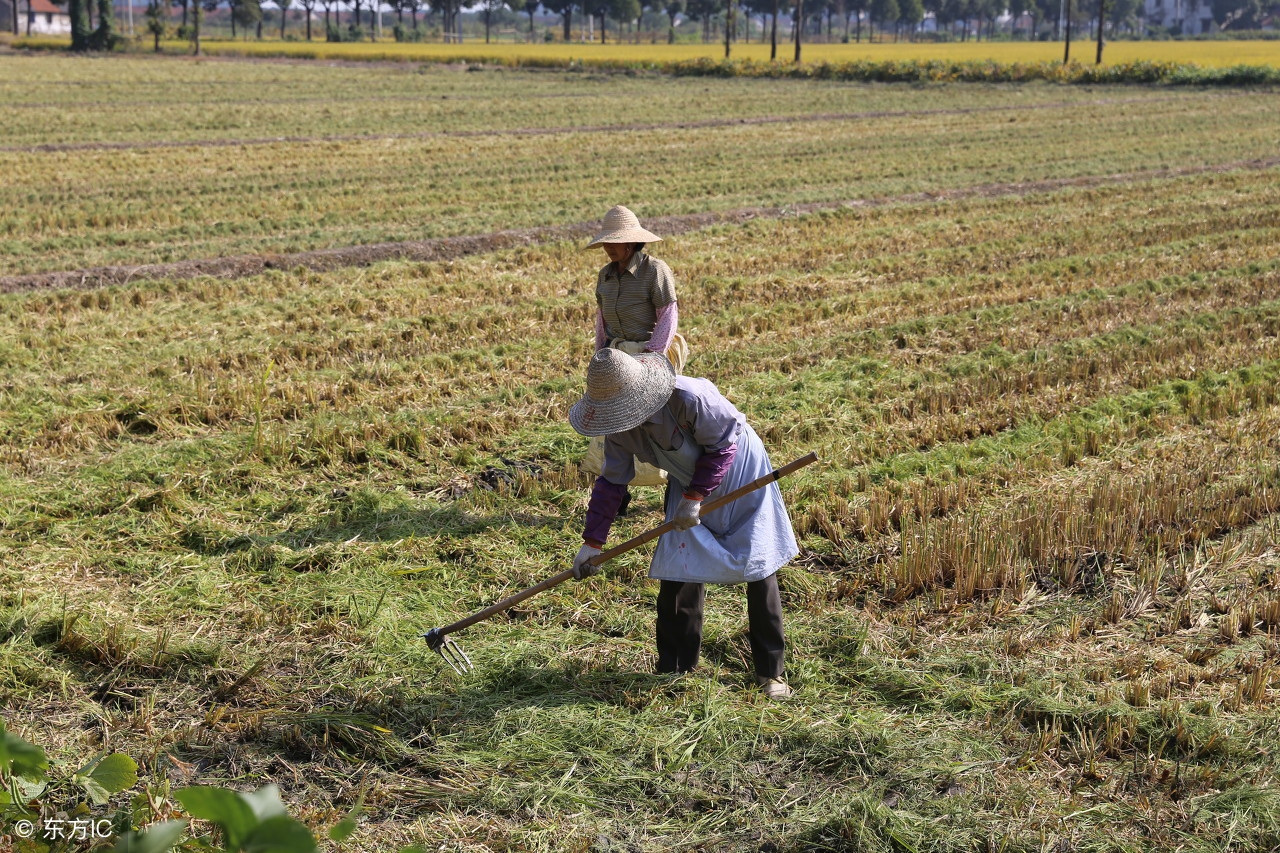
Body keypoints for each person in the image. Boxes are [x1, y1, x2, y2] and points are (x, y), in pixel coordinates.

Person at [568, 348, 799, 700]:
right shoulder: (616, 427)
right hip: (686, 476)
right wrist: (592, 542)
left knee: (756, 563)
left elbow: (723, 448)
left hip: (739, 469)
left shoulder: (691, 397)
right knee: (679, 565)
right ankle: (675, 667)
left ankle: (771, 672)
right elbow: (612, 483)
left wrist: (694, 498)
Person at [580, 206, 689, 495]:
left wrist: (653, 357)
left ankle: (676, 482)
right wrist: (600, 354)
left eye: (614, 243)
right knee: (615, 425)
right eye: (606, 242)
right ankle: (619, 491)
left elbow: (668, 314)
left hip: (648, 354)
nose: (609, 248)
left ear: (631, 242)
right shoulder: (605, 276)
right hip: (617, 358)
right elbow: (601, 320)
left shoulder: (654, 270)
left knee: (659, 423)